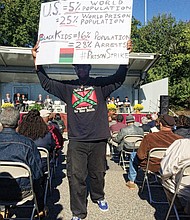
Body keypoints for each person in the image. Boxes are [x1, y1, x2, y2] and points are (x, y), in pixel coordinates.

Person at [32, 39, 132, 220]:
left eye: (84, 67)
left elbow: (119, 78)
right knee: (76, 176)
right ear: (75, 70)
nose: (81, 70)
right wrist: (37, 62)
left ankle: (98, 196)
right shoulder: (68, 87)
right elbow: (47, 83)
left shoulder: (101, 85)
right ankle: (78, 212)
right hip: (77, 140)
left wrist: (125, 55)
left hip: (98, 138)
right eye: (78, 68)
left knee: (98, 173)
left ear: (89, 68)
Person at [0, 107, 46, 217]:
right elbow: (37, 173)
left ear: (1, 122)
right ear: (18, 122)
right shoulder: (28, 144)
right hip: (22, 192)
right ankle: (40, 210)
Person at [126, 114, 182, 190]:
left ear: (160, 124)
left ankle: (131, 181)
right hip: (171, 166)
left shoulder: (150, 137)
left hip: (153, 165)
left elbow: (140, 155)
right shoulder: (179, 140)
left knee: (133, 155)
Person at [160, 139, 190, 215]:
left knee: (165, 180)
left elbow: (166, 170)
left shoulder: (182, 144)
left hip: (184, 188)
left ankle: (178, 208)